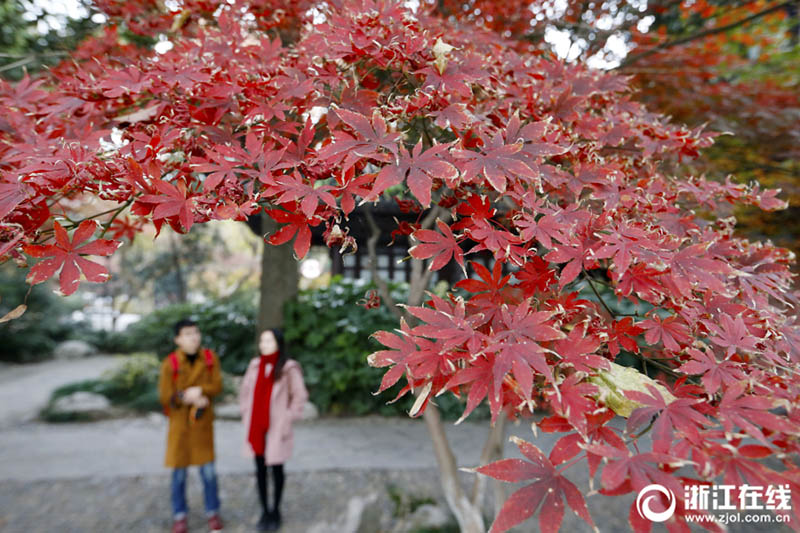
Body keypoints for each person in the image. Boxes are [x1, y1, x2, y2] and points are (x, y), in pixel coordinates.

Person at [239, 328, 309, 531]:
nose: (264, 345)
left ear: (278, 343)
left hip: (277, 428)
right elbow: (244, 392)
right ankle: (264, 511)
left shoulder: (288, 368)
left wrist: (288, 417)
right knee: (259, 470)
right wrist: (246, 414)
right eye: (262, 342)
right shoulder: (254, 365)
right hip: (256, 428)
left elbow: (300, 395)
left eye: (269, 341)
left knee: (277, 470)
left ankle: (276, 510)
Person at [158, 318, 224, 533]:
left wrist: (201, 391)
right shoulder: (170, 363)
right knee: (178, 475)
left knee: (209, 473)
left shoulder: (210, 358)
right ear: (178, 339)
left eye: (195, 332)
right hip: (180, 427)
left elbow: (217, 385)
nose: (193, 337)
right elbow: (165, 395)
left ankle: (212, 512)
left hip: (203, 425)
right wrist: (186, 396)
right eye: (187, 334)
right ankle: (180, 515)